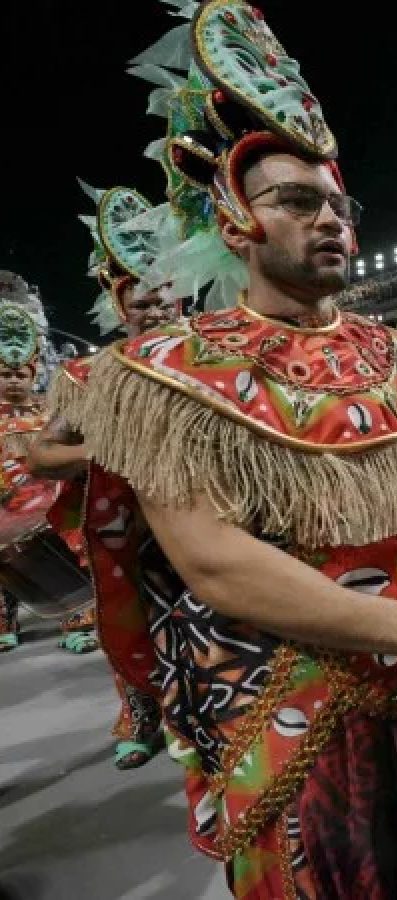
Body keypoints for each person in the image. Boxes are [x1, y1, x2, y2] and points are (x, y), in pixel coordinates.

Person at [67, 5, 397, 896]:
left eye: (340, 205)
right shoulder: (163, 374)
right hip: (291, 701)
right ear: (236, 224)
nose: (332, 222)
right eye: (298, 202)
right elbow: (216, 564)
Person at [30, 183, 178, 768]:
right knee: (133, 629)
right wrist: (112, 451)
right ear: (123, 309)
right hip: (129, 540)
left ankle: (204, 722)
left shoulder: (214, 363)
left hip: (211, 525)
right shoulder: (89, 377)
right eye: (143, 303)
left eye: (168, 296)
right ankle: (142, 714)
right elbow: (42, 456)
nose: (159, 310)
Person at [0, 299, 97, 655]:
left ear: (32, 374)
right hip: (4, 507)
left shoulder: (48, 411)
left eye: (19, 374)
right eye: (4, 374)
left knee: (71, 553)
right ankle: (4, 622)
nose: (12, 382)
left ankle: (79, 619)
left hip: (52, 502)